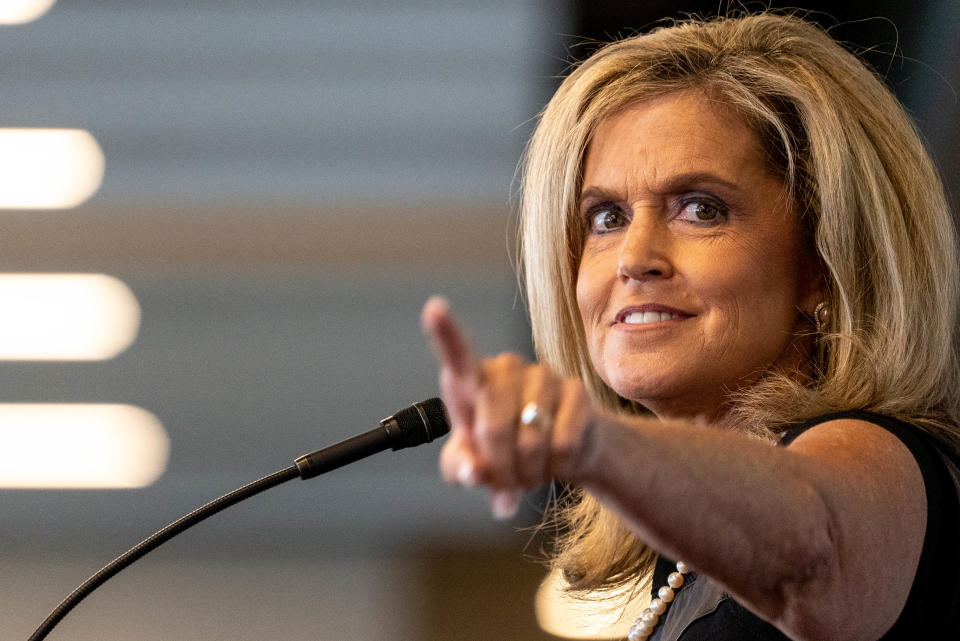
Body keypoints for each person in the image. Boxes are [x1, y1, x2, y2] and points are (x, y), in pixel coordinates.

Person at [421, 11, 960, 641]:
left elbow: (811, 551)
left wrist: (591, 445)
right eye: (606, 217)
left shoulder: (885, 463)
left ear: (823, 263)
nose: (633, 257)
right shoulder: (677, 566)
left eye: (701, 209)